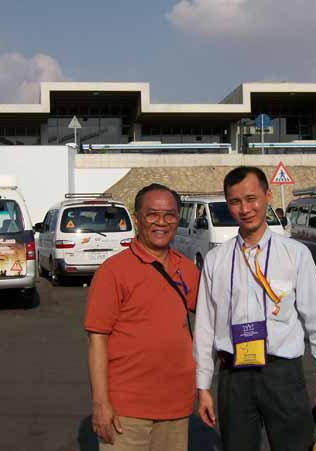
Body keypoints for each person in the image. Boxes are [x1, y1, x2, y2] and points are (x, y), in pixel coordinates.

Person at [194, 166, 316, 451]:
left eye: (252, 199)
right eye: (235, 202)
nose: (245, 209)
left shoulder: (295, 255)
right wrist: (203, 387)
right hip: (233, 377)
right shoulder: (215, 260)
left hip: (282, 375)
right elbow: (205, 328)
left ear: (268, 196)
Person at [84, 183, 200, 451]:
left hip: (176, 408)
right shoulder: (113, 272)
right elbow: (97, 340)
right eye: (152, 215)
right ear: (137, 219)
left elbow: (214, 318)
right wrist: (101, 403)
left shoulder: (188, 270)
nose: (161, 222)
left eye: (170, 215)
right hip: (126, 410)